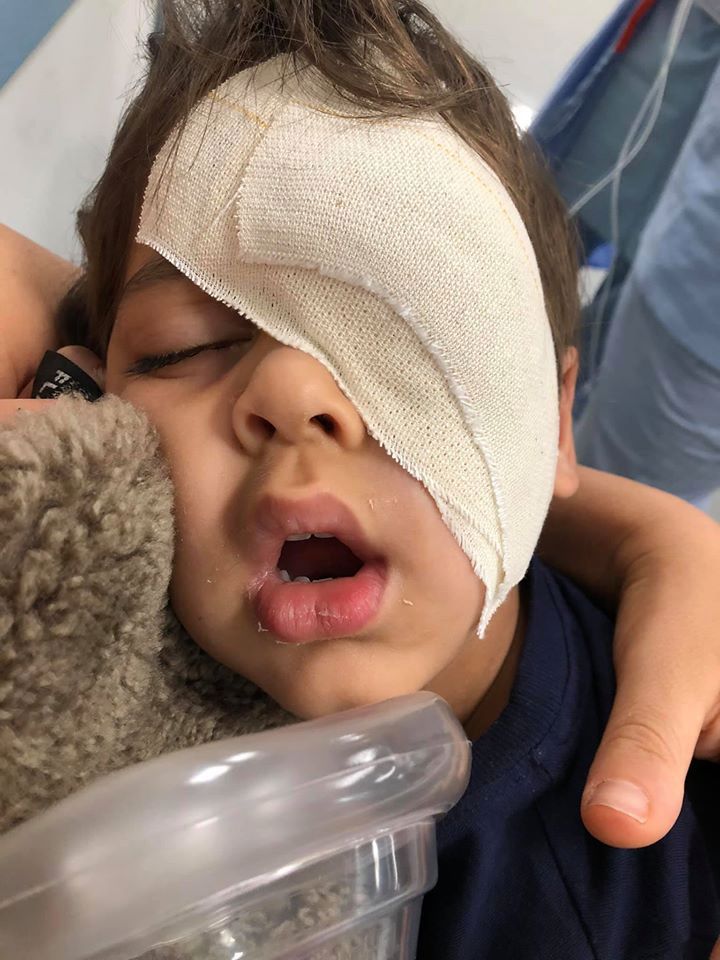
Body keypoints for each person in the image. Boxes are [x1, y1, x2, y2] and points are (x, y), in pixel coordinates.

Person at [1, 1, 719, 955]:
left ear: (553, 423)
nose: (293, 390)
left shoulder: (654, 895)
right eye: (185, 346)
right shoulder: (84, 644)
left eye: (402, 328)